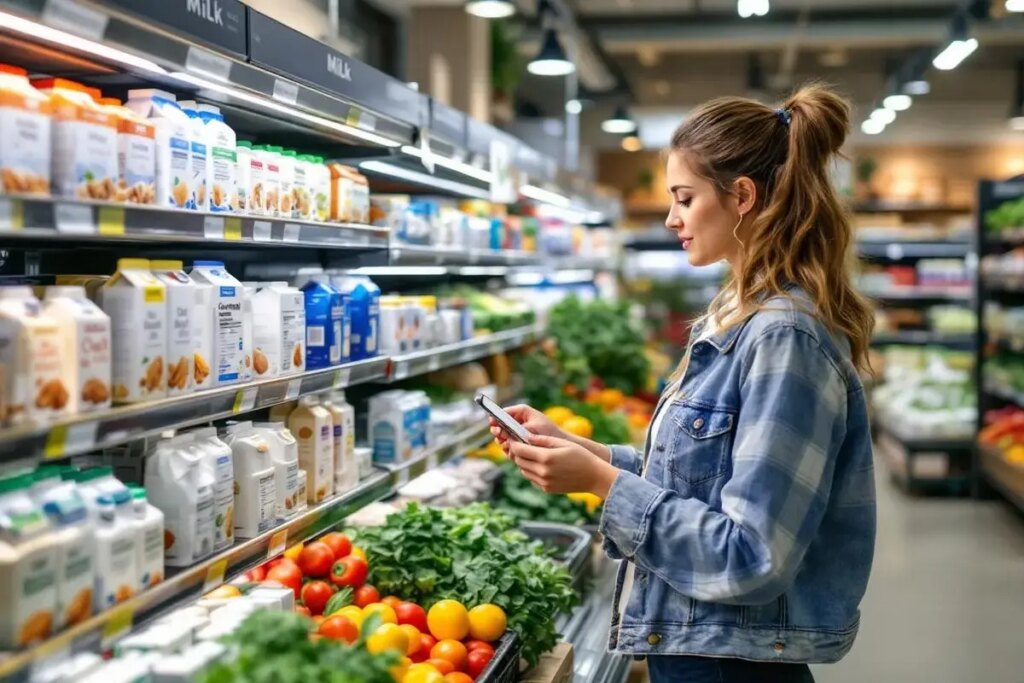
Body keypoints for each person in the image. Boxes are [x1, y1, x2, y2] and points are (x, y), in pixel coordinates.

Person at [490, 84, 877, 683]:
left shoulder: (783, 339)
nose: (671, 217)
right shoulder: (740, 312)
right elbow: (707, 480)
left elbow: (753, 556)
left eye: (685, 197)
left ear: (742, 196)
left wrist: (602, 482)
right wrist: (587, 454)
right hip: (704, 651)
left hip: (731, 665)